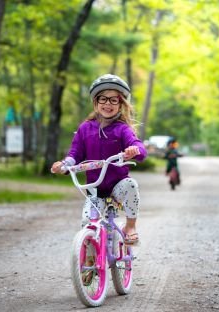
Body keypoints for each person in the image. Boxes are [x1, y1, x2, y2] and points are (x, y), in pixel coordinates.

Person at [51, 74, 147, 245]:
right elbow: (75, 154)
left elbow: (138, 147)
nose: (108, 104)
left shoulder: (122, 129)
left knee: (132, 185)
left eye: (113, 100)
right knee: (87, 223)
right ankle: (88, 256)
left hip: (118, 186)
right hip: (95, 189)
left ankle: (130, 226)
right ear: (96, 102)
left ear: (121, 104)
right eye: (103, 99)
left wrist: (134, 150)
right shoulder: (85, 128)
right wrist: (65, 165)